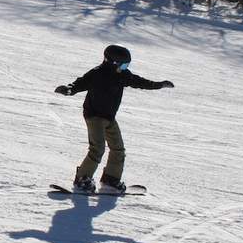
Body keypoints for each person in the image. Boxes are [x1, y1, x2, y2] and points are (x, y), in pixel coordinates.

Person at [54, 45, 175, 194]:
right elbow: (80, 83)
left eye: (127, 65)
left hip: (109, 118)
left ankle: (111, 180)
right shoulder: (97, 73)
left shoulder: (123, 75)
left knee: (118, 149)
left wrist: (159, 85)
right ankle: (82, 180)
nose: (125, 68)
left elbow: (140, 82)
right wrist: (68, 90)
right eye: (123, 65)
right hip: (94, 116)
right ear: (112, 62)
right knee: (97, 149)